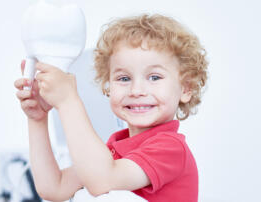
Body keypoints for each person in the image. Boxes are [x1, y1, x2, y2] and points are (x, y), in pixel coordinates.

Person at [14, 14, 208, 202]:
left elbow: (102, 180)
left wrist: (68, 101)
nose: (136, 90)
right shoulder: (113, 151)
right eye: (124, 78)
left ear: (186, 88)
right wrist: (38, 119)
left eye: (154, 77)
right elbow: (54, 187)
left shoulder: (171, 149)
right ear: (108, 86)